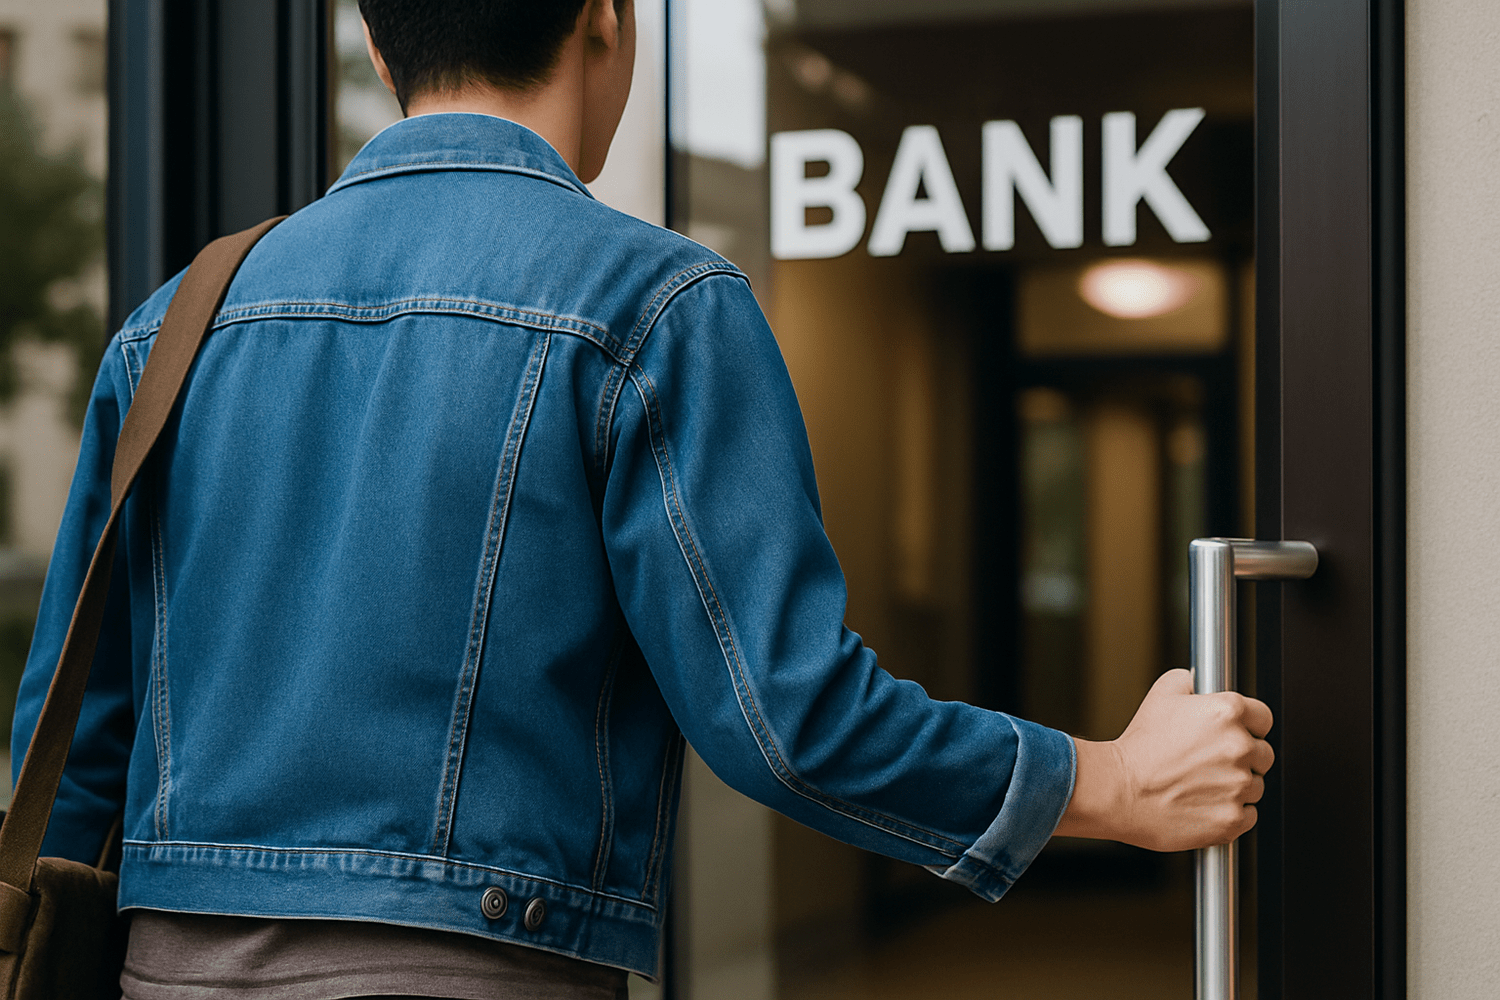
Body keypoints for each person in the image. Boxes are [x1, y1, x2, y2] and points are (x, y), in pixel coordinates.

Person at [10, 1, 1274, 997]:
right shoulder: (653, 305)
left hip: (159, 976)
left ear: (378, 40)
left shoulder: (177, 323)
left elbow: (72, 752)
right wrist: (1105, 782)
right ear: (605, 18)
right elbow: (787, 720)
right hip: (478, 975)